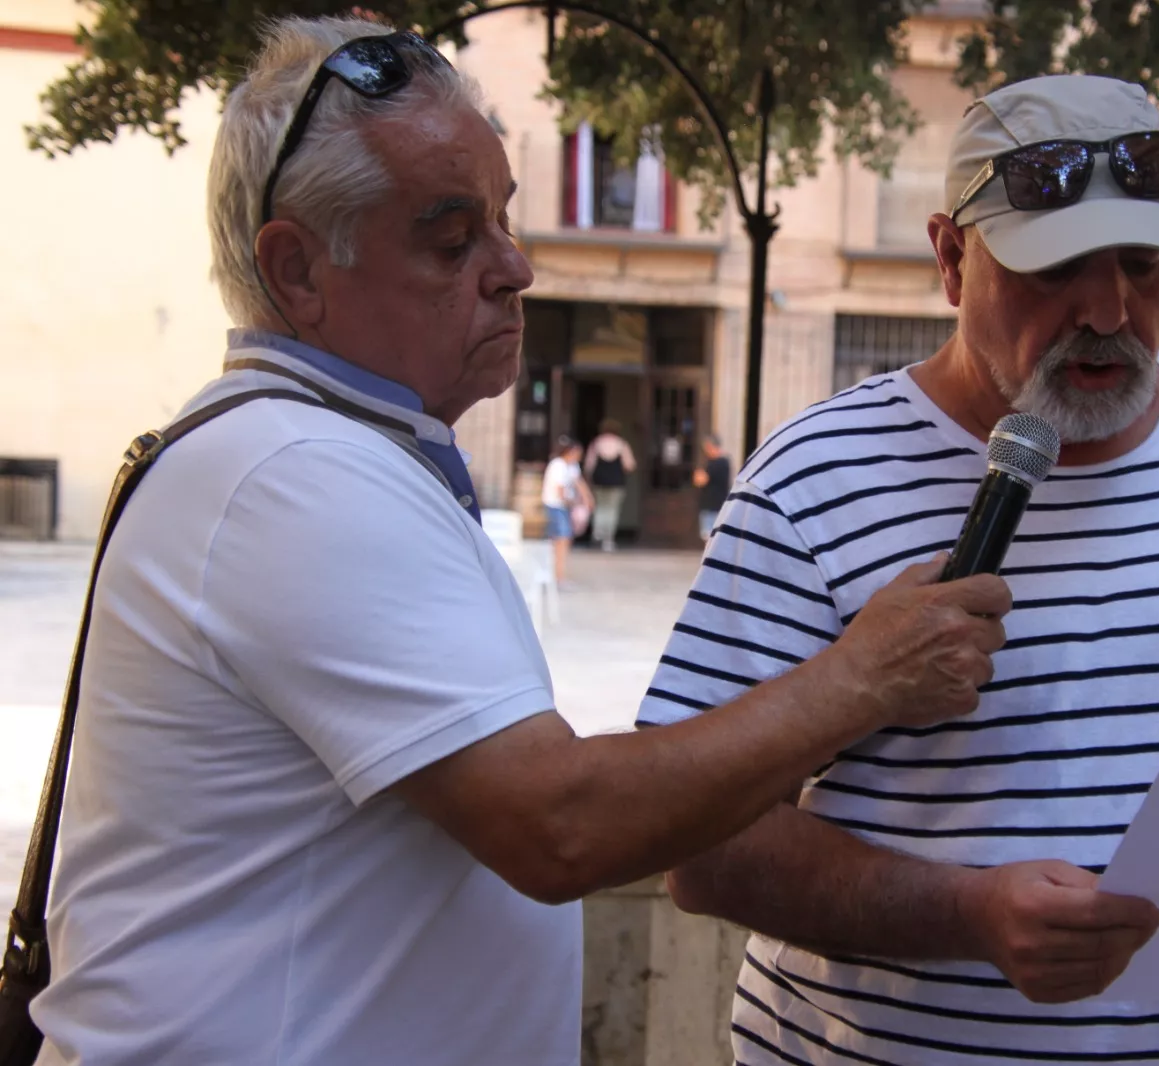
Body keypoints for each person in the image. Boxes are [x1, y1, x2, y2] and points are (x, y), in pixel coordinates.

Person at [26, 17, 1013, 1066]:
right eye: (453, 240)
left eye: (503, 221)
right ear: (297, 271)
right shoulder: (298, 474)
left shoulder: (318, 456)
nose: (517, 269)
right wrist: (861, 678)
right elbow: (559, 825)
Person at [638, 74, 1159, 1066]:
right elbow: (702, 849)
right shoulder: (812, 478)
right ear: (952, 259)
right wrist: (965, 913)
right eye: (1056, 269)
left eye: (1143, 263)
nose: (1107, 309)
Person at [543, 435, 591, 583]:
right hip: (555, 506)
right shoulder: (558, 465)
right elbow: (560, 490)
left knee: (565, 539)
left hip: (565, 507)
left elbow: (579, 482)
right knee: (560, 539)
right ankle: (557, 575)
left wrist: (588, 498)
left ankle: (560, 574)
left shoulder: (572, 466)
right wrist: (575, 502)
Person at [583, 418, 636, 551]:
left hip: (599, 481)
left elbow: (589, 466)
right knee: (612, 510)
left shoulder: (596, 443)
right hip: (616, 481)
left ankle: (597, 534)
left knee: (599, 507)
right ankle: (608, 539)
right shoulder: (621, 444)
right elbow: (629, 465)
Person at [691, 432, 731, 542]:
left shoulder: (718, 463)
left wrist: (699, 475)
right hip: (716, 505)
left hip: (712, 506)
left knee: (709, 537)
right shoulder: (722, 462)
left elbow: (700, 480)